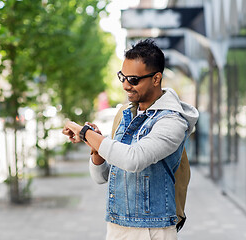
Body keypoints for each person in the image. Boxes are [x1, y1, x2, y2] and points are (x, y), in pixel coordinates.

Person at [62, 39, 198, 240]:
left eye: (133, 79)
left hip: (153, 230)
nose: (126, 85)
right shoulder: (125, 114)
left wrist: (85, 133)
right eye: (122, 77)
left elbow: (133, 159)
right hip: (117, 226)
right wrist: (96, 148)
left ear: (156, 78)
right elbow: (102, 177)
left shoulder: (172, 121)